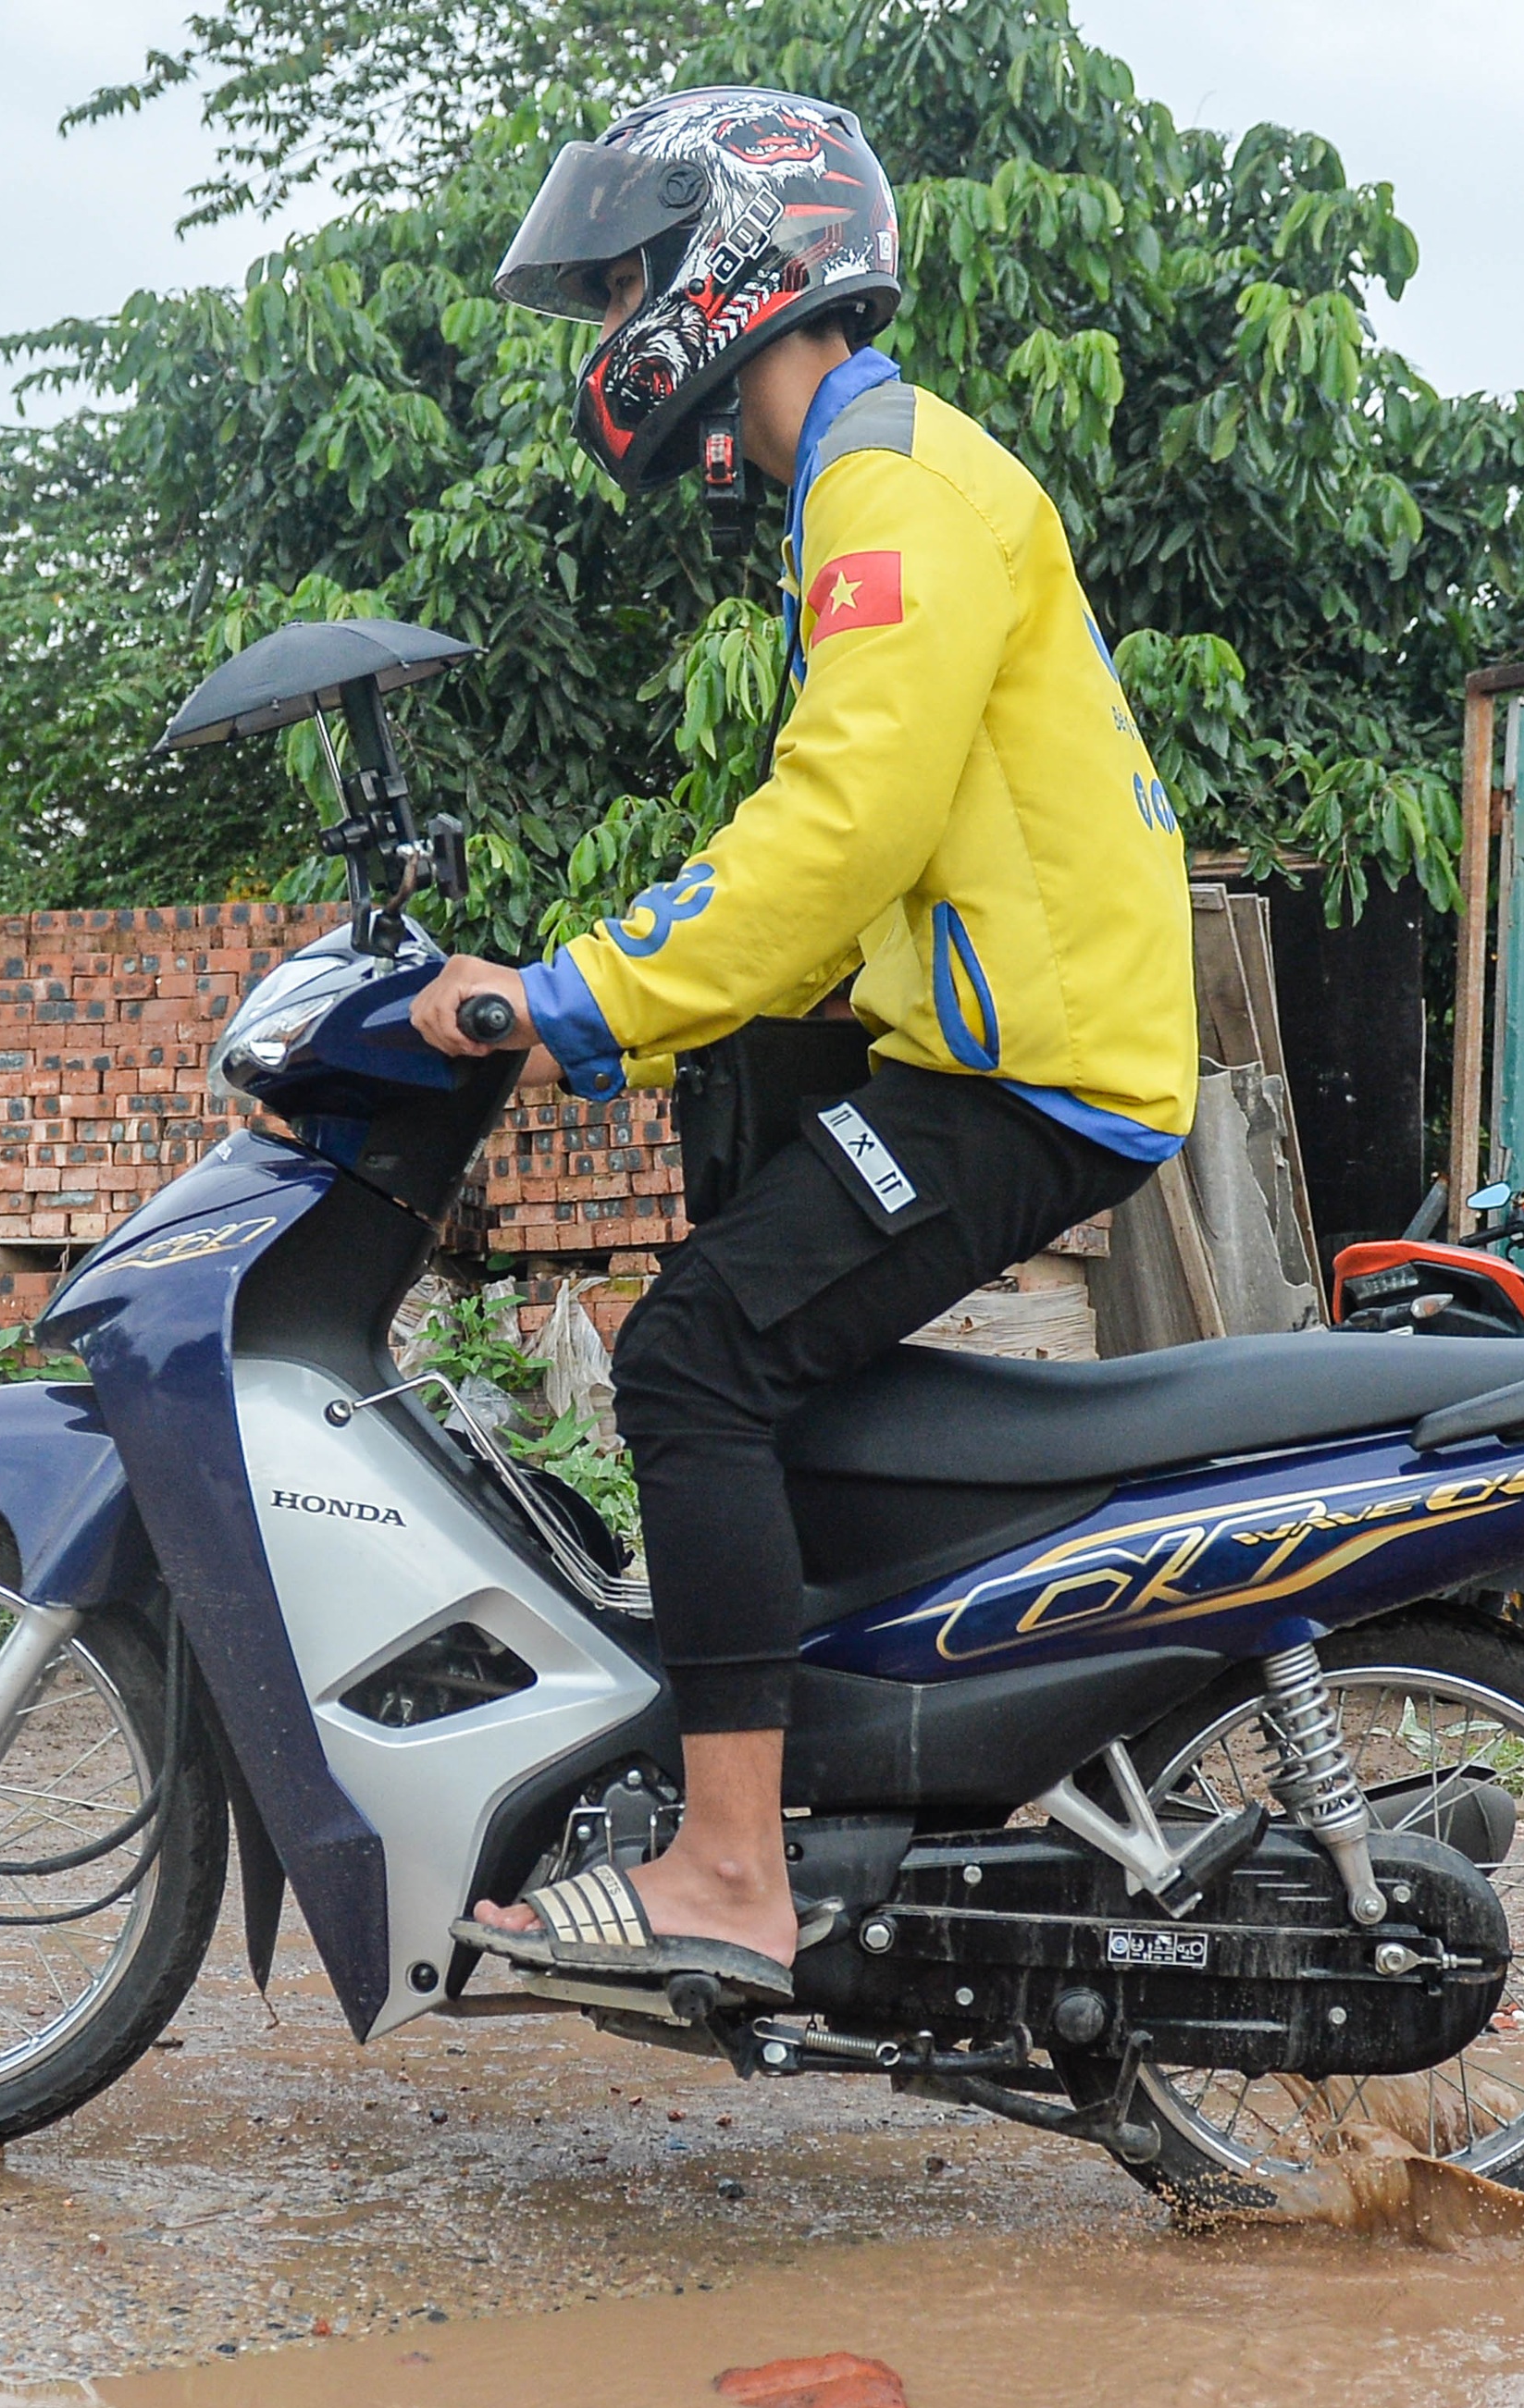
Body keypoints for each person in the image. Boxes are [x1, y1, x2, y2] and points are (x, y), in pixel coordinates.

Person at [412, 86, 1195, 1999]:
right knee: (754, 1361)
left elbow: (840, 824)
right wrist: (639, 1016)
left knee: (685, 1357)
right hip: (1005, 1048)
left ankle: (736, 1872)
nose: (611, 339)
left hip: (1037, 1077)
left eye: (621, 290)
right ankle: (854, 1781)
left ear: (735, 264)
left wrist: (573, 993)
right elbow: (871, 851)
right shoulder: (872, 470)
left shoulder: (892, 484)